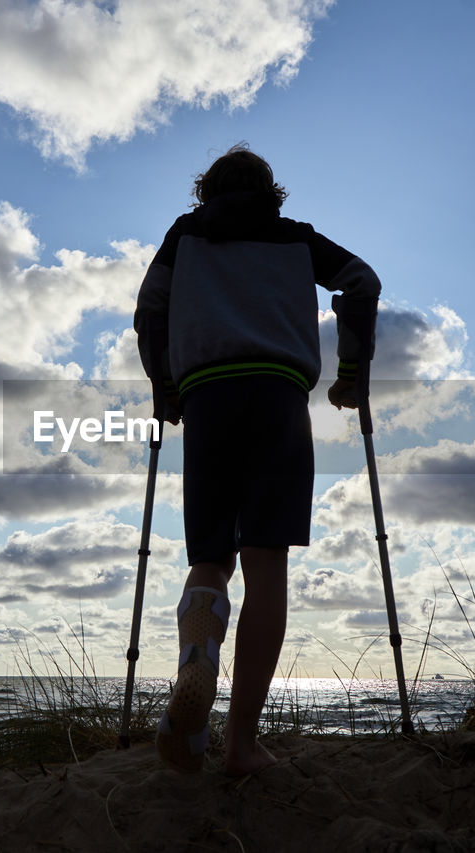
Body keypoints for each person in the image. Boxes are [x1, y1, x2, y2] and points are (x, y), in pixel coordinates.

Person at [134, 144, 381, 776]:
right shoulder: (296, 239)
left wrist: (165, 388)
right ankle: (241, 746)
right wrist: (350, 372)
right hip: (277, 395)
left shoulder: (184, 236)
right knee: (266, 564)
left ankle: (197, 654)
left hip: (208, 397)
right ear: (271, 191)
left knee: (210, 557)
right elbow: (362, 281)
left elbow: (151, 309)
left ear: (205, 192)